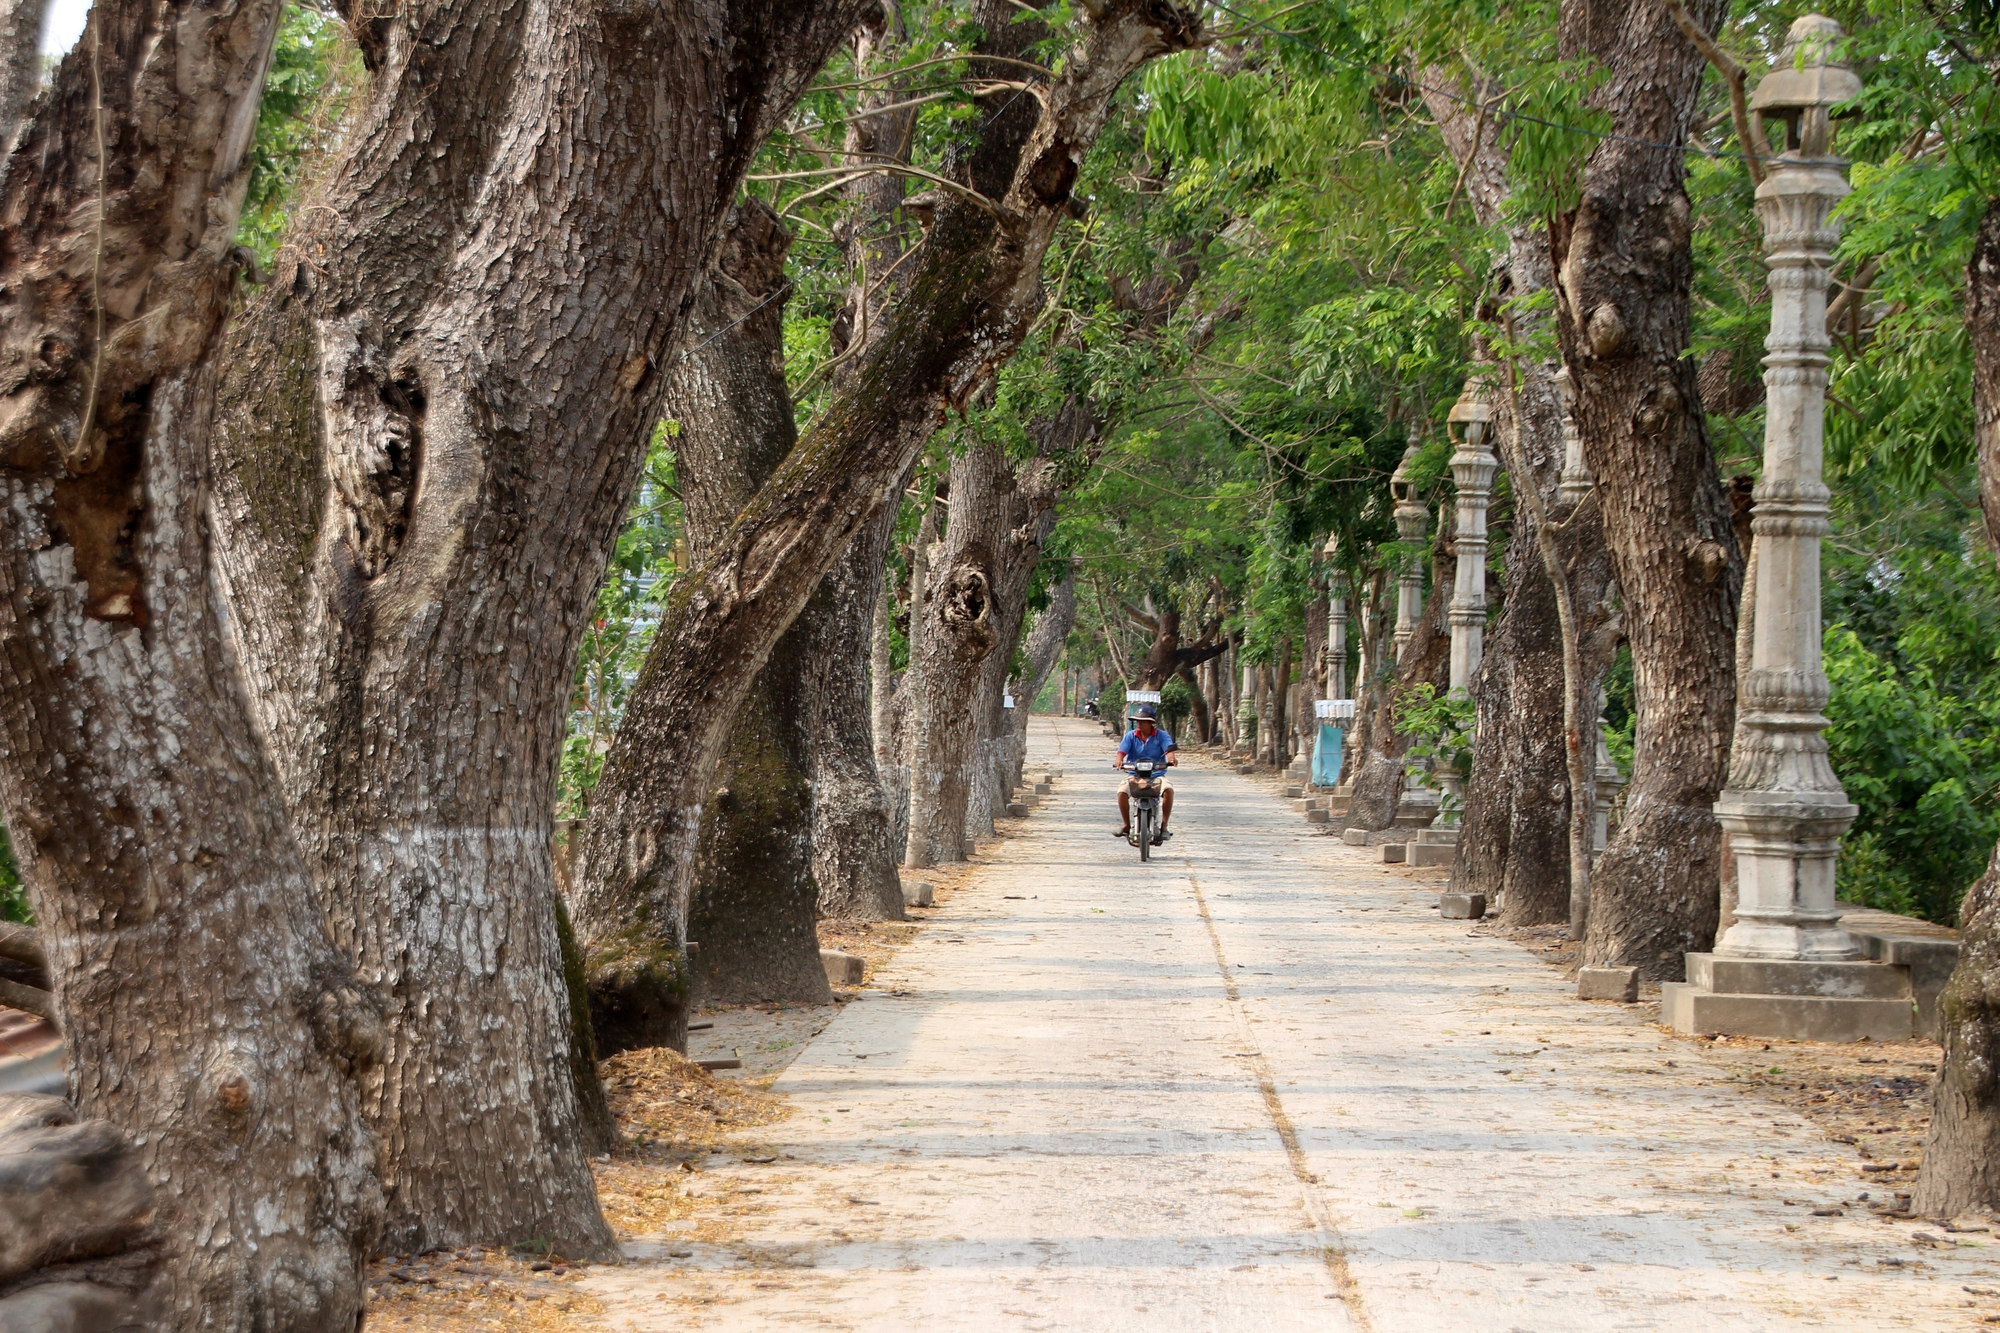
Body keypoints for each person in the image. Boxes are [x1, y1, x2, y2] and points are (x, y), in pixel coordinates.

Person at [1113, 704, 1176, 843]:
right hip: (1134, 775)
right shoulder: (1130, 736)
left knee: (1168, 790)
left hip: (1156, 775)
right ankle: (1126, 825)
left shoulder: (1161, 735)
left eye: (1143, 721)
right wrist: (1119, 761)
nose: (1139, 723)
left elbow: (1168, 749)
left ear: (1151, 722)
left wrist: (1171, 758)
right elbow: (1121, 752)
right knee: (1121, 792)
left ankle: (1164, 826)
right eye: (1137, 721)